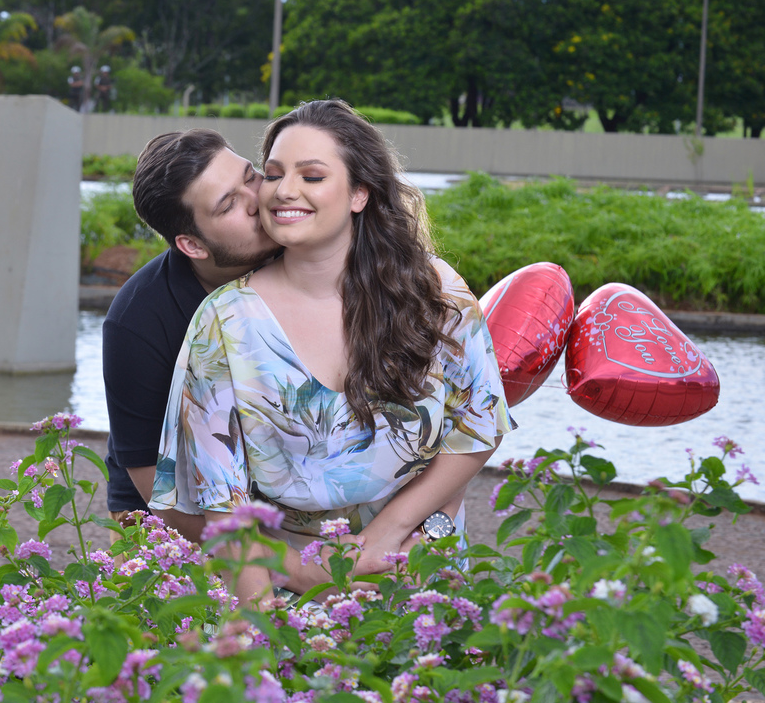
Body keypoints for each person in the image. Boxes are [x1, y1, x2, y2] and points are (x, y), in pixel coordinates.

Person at [149, 99, 515, 606]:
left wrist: (386, 536)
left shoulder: (435, 292)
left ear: (360, 193)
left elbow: (478, 424)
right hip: (290, 583)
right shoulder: (224, 323)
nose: (284, 190)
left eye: (313, 175)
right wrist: (262, 629)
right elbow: (222, 503)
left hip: (420, 565)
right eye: (273, 174)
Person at [103, 130, 280, 543]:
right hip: (167, 510)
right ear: (192, 244)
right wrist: (281, 562)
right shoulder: (137, 321)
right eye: (229, 204)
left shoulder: (306, 252)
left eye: (251, 177)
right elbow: (151, 485)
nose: (257, 200)